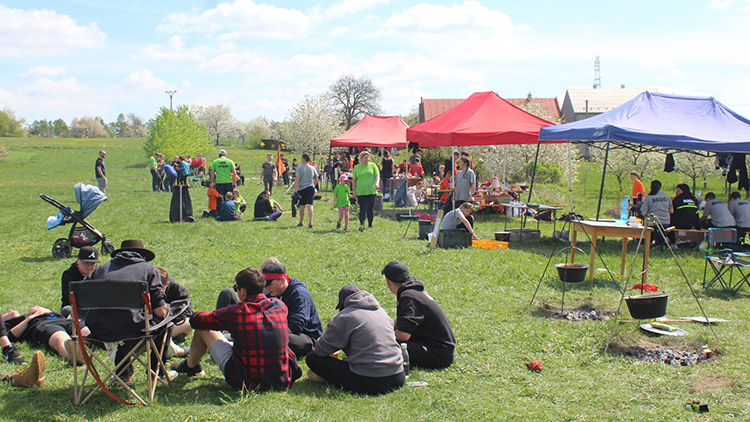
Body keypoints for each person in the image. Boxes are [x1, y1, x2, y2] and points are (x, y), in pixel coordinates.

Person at [171, 267, 301, 391]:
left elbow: (198, 320)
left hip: (246, 381)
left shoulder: (237, 313)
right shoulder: (280, 307)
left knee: (202, 328)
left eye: (236, 289)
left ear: (243, 291)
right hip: (282, 380)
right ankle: (191, 365)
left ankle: (191, 366)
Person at [87, 240, 169, 383]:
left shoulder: (100, 270)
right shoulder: (148, 269)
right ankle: (157, 373)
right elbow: (160, 311)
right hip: (134, 335)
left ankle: (124, 375)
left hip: (99, 334)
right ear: (142, 257)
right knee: (166, 321)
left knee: (118, 318)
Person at [306, 284, 405, 395]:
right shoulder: (381, 312)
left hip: (370, 381)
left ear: (343, 303)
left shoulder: (345, 316)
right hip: (398, 376)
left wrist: (328, 333)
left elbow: (321, 350)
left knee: (312, 358)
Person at [382, 261, 455, 369]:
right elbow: (402, 321)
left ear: (388, 282)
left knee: (388, 344)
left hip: (438, 354)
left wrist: (381, 338)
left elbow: (403, 335)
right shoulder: (413, 291)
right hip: (440, 348)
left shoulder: (408, 297)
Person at [261, 260, 322, 358]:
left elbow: (296, 326)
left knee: (277, 340)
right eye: (265, 285)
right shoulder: (272, 294)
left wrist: (271, 335)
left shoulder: (299, 295)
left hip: (305, 336)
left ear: (283, 280)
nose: (267, 288)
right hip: (284, 331)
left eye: (270, 284)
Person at [2, 305, 89, 364]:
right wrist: (32, 317)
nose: (10, 311)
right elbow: (11, 336)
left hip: (61, 320)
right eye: (5, 314)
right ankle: (74, 356)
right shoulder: (8, 325)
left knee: (87, 332)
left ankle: (94, 343)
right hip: (44, 325)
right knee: (60, 338)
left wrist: (45, 310)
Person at [60, 246, 99, 315]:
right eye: (86, 263)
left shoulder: (99, 274)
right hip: (74, 310)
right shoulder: (69, 275)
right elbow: (68, 299)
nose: (89, 267)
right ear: (78, 261)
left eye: (92, 264)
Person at [352, 151, 380, 232]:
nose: (367, 159)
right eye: (365, 157)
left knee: (370, 209)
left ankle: (370, 224)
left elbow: (377, 175)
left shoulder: (373, 166)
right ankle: (362, 224)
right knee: (363, 208)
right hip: (361, 191)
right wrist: (354, 191)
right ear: (361, 159)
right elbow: (354, 181)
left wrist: (377, 183)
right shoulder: (357, 168)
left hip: (372, 191)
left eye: (368, 157)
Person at [641, 180, 674, 246]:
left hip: (654, 223)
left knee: (643, 220)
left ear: (651, 187)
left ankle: (644, 243)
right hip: (666, 223)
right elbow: (671, 211)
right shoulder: (666, 196)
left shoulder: (648, 198)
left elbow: (644, 213)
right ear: (660, 188)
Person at [293, 153, 319, 229]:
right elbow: (316, 179)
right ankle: (311, 222)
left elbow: (296, 179)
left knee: (302, 206)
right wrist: (313, 185)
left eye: (301, 158)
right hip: (310, 188)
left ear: (304, 159)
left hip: (302, 189)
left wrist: (295, 190)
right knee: (310, 205)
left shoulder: (299, 168)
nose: (301, 160)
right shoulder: (312, 168)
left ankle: (301, 222)